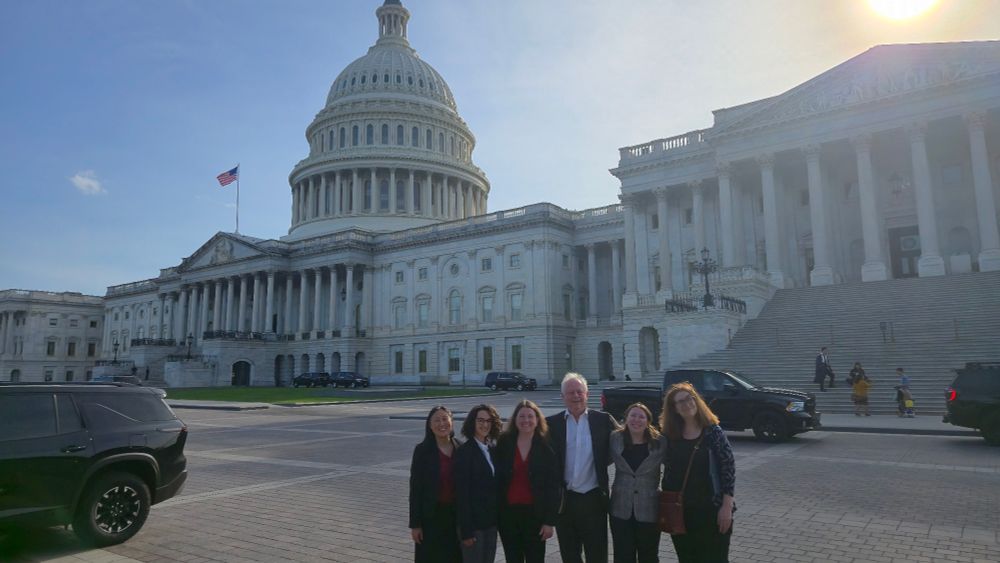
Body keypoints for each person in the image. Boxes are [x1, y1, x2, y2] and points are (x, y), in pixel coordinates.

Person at [546, 372, 620, 563]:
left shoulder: (603, 420)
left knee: (597, 553)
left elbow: (625, 442)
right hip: (565, 501)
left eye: (579, 391)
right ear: (563, 397)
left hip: (594, 499)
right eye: (570, 392)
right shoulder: (551, 424)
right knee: (570, 554)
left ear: (587, 394)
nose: (576, 396)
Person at [659, 383, 736, 563]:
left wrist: (727, 507)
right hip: (681, 513)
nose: (687, 404)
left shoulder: (713, 432)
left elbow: (728, 469)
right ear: (674, 409)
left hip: (712, 510)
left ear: (696, 400)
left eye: (689, 398)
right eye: (680, 402)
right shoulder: (669, 437)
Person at [495, 400, 559, 563]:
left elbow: (553, 486)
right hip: (508, 515)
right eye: (521, 416)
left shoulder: (546, 447)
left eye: (530, 416)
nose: (526, 420)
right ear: (515, 419)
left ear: (537, 420)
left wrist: (549, 521)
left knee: (535, 558)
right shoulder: (504, 443)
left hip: (536, 515)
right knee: (512, 558)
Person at [609, 403, 666, 563]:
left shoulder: (660, 443)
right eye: (633, 415)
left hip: (649, 508)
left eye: (641, 416)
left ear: (648, 421)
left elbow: (673, 467)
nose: (636, 420)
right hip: (620, 507)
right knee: (622, 554)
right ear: (626, 418)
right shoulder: (615, 438)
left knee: (648, 555)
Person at [409, 405, 462, 563]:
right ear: (430, 426)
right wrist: (415, 524)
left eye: (445, 419)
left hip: (455, 518)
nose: (442, 424)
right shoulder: (422, 451)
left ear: (452, 422)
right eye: (437, 420)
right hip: (431, 519)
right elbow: (415, 490)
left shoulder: (461, 448)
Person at [455, 404, 502, 563]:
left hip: (491, 523)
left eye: (489, 421)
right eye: (480, 420)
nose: (485, 424)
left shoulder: (492, 449)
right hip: (474, 527)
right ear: (472, 423)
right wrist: (466, 531)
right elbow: (461, 494)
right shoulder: (464, 452)